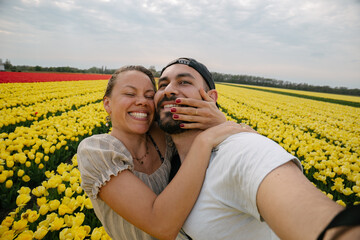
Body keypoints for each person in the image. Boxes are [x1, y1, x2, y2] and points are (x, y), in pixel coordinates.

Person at [154, 57, 360, 240]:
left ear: (212, 98)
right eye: (162, 85)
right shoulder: (164, 157)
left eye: (184, 82)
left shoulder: (243, 149)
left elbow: (319, 224)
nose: (169, 90)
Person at [77, 65, 256, 240]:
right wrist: (204, 142)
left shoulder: (165, 136)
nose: (142, 101)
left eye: (149, 96)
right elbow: (161, 226)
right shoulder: (96, 151)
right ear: (107, 104)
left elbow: (249, 140)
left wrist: (219, 120)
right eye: (130, 94)